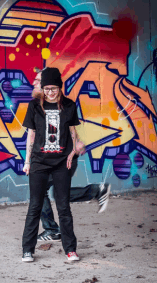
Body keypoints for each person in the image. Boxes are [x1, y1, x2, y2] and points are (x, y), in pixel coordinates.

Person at [31, 69, 111, 243]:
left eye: (37, 80)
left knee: (49, 192)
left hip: (64, 157)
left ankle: (53, 229)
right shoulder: (39, 104)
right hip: (50, 157)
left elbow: (69, 124)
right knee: (54, 193)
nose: (34, 83)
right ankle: (96, 190)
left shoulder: (61, 103)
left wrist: (78, 142)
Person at [22, 67, 81, 262]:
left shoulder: (69, 105)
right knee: (35, 206)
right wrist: (27, 161)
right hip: (39, 162)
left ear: (60, 87)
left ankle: (70, 250)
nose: (50, 92)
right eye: (46, 88)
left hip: (61, 163)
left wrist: (73, 151)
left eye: (54, 88)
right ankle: (28, 250)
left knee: (63, 206)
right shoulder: (34, 106)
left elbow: (72, 131)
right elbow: (30, 134)